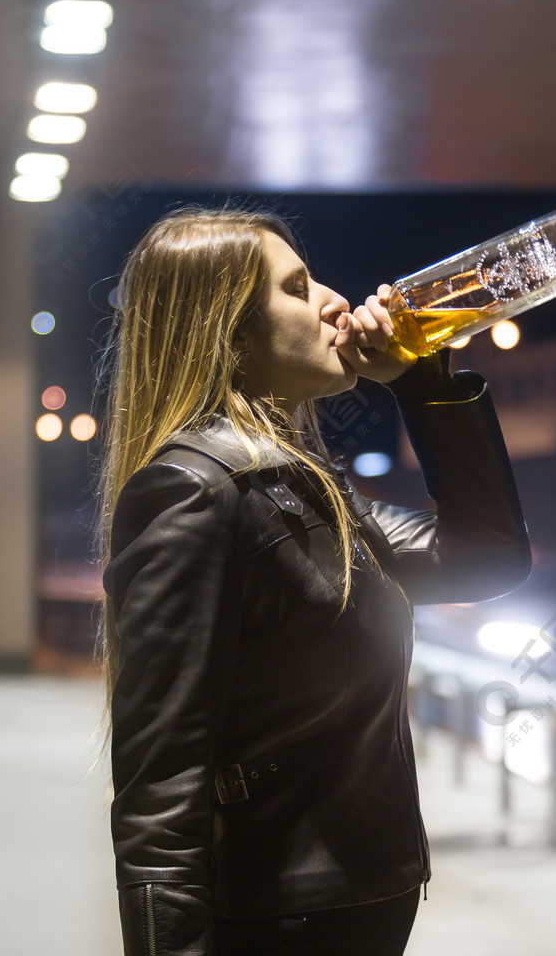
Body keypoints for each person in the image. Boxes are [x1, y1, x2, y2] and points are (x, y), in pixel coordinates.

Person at [97, 207, 532, 956]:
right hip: (280, 920)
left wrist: (424, 387)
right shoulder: (196, 491)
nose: (334, 300)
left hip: (356, 905)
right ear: (227, 333)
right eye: (297, 288)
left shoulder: (304, 490)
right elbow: (160, 789)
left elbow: (488, 555)